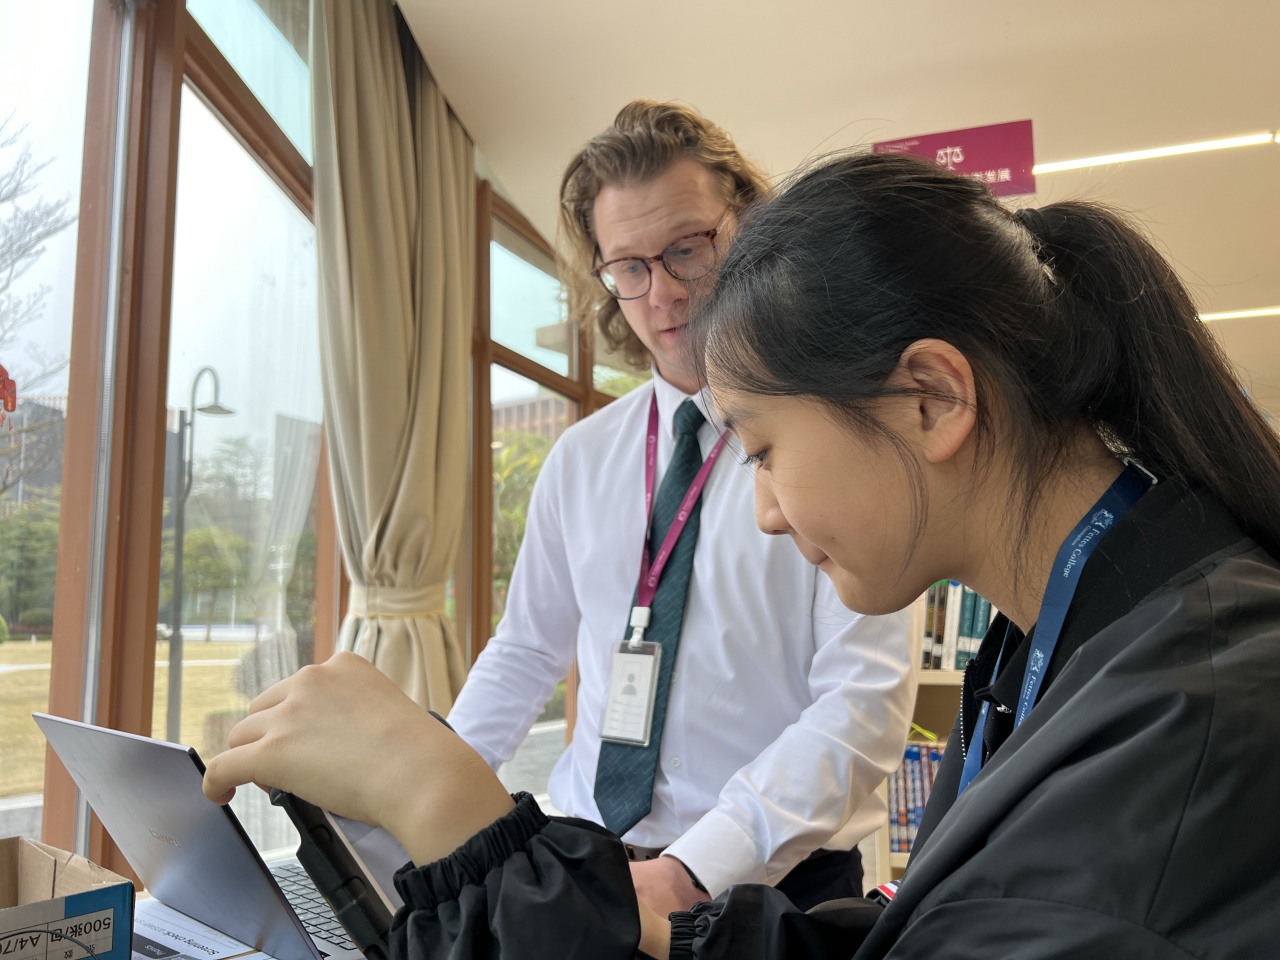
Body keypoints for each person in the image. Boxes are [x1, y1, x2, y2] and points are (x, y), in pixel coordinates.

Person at [204, 149, 1280, 958]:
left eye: (762, 450)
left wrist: (465, 823)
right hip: (607, 859)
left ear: (930, 398)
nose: (763, 509)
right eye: (629, 268)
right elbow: (930, 929)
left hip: (749, 860)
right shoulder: (1058, 646)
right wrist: (503, 847)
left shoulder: (1188, 722)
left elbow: (867, 723)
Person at [444, 100, 917, 916]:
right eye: (629, 266)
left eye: (686, 249)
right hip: (588, 865)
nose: (661, 293)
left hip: (774, 887)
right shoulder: (581, 458)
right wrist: (423, 790)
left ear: (748, 227)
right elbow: (524, 652)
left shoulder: (842, 439)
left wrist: (695, 868)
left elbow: (863, 701)